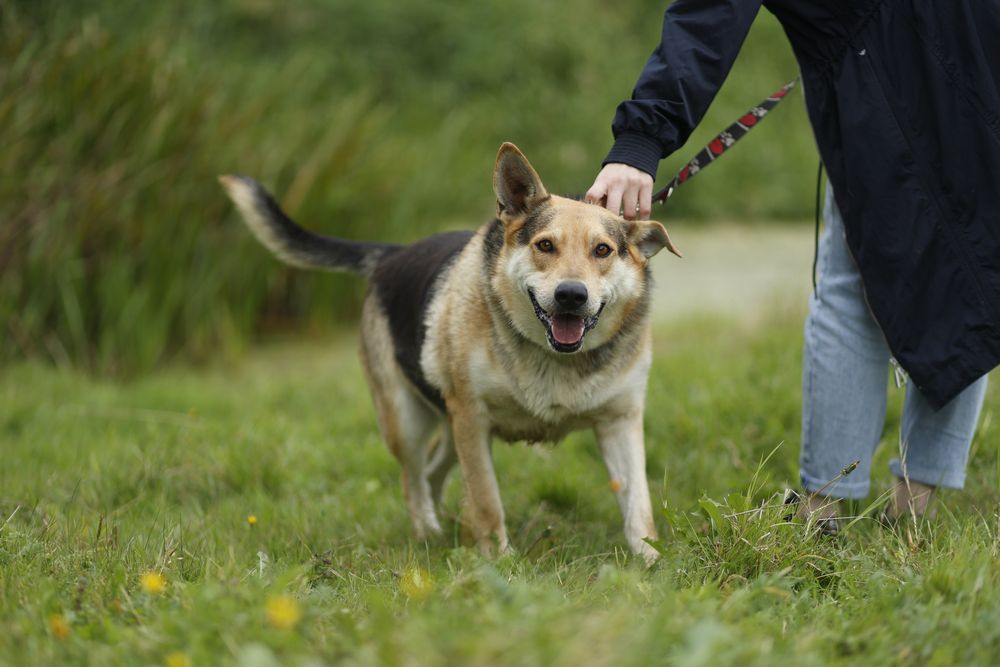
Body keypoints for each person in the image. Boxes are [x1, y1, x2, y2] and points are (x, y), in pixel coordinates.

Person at [587, 0, 999, 529]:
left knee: (862, 282)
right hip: (957, 46)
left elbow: (710, 13)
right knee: (975, 265)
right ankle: (911, 511)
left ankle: (826, 510)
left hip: (893, 66)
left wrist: (642, 136)